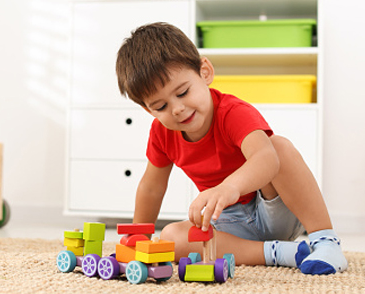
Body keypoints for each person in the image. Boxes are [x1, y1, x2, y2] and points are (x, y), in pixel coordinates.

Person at [115, 22, 347, 275]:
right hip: (228, 225)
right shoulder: (161, 134)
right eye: (160, 107)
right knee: (171, 236)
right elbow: (152, 186)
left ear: (205, 72)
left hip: (272, 208)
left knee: (277, 146)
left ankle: (325, 241)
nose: (177, 109)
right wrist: (138, 236)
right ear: (148, 110)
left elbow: (266, 159)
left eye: (182, 92)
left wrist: (229, 188)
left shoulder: (232, 112)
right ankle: (281, 253)